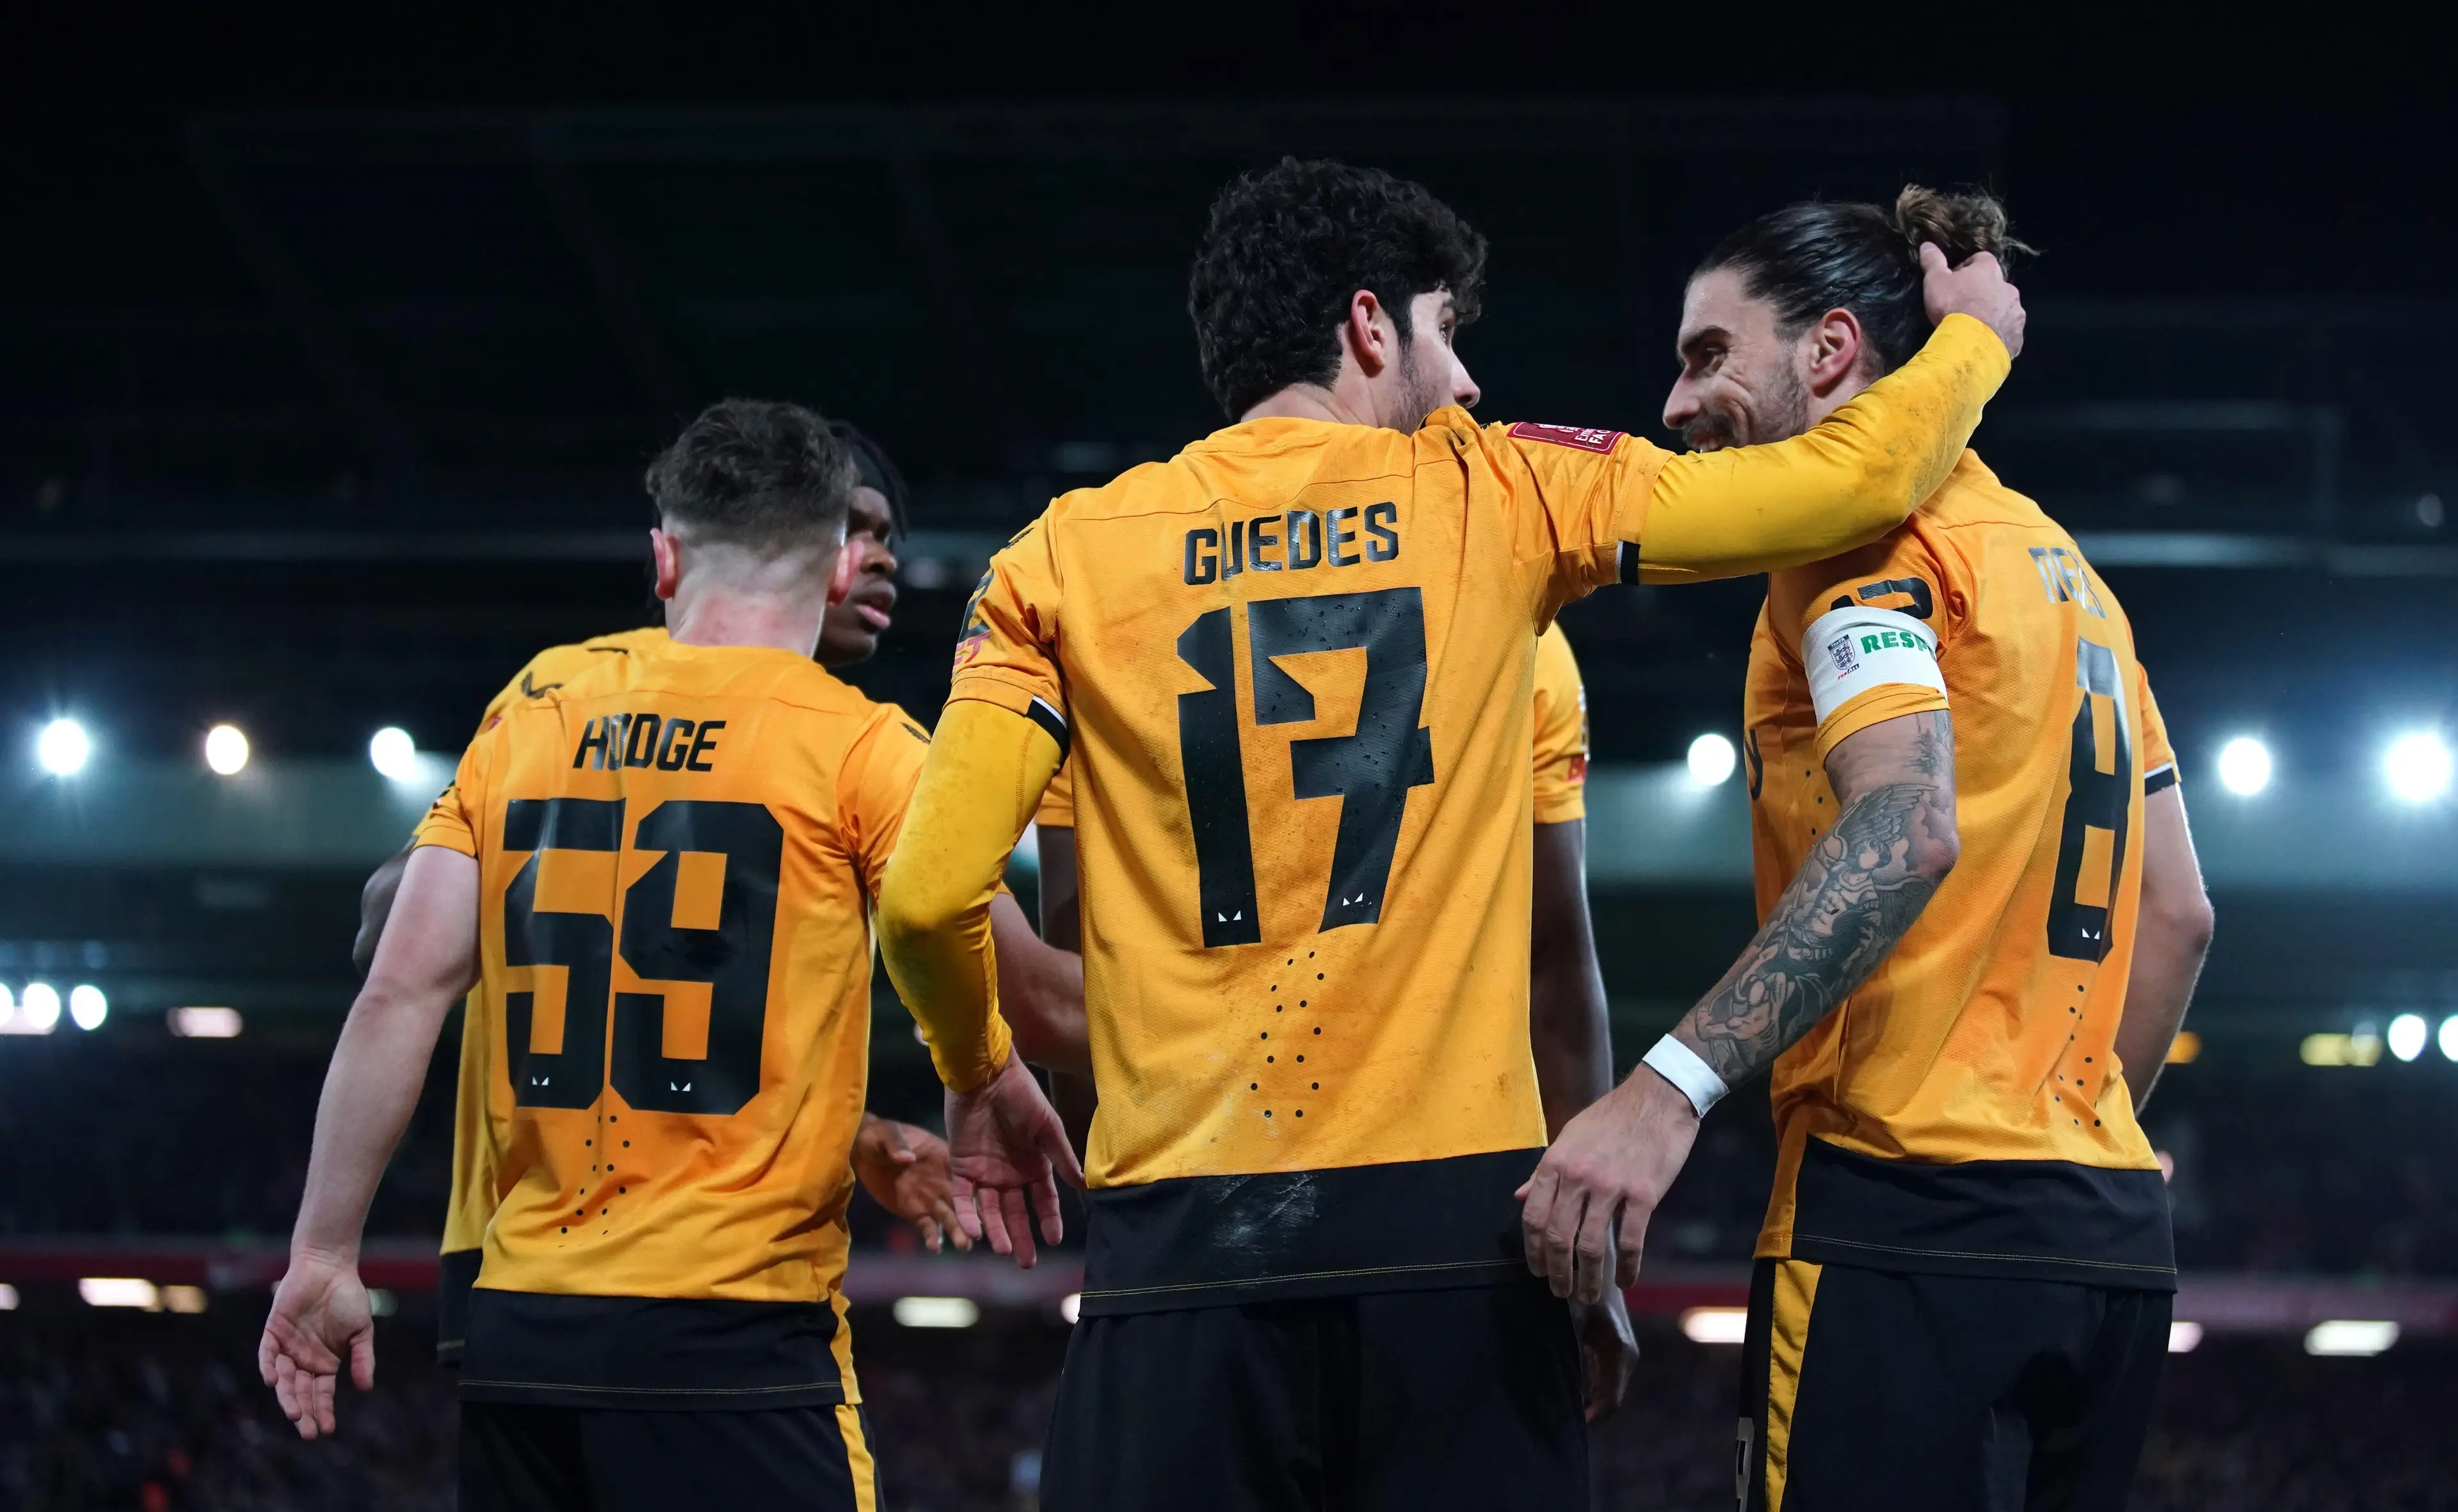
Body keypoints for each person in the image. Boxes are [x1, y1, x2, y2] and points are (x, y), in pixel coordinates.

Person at [874, 156, 2025, 1509]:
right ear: (1369, 327)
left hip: (1182, 1254)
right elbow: (1850, 480)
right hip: (1457, 1259)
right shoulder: (1504, 491)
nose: (1468, 379)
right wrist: (1973, 343)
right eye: (1445, 329)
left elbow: (925, 896)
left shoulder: (1055, 560)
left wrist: (981, 1069)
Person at [1521, 189, 2215, 1511]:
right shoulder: (2071, 576)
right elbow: (2180, 914)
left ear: (1832, 350)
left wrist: (1661, 1093)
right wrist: (2069, 1136)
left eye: (1709, 352)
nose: (1677, 402)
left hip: (1901, 1216)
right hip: (2108, 1234)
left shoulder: (1855, 547)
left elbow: (1906, 829)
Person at [257, 400, 1035, 1509]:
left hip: (522, 1318)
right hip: (734, 1327)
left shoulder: (536, 704)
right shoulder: (862, 742)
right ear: (828, 567)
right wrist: (989, 1071)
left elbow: (397, 981)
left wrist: (324, 1252)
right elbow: (958, 935)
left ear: (663, 558)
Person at [1030, 620, 1639, 1418]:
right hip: (1449, 1205)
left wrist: (1111, 1220)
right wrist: (1583, 1253)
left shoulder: (1103, 611)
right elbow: (1553, 962)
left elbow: (1076, 967)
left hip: (1197, 1203)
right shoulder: (1516, 624)